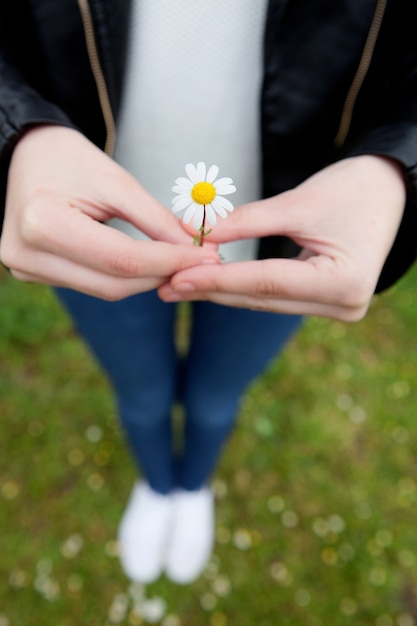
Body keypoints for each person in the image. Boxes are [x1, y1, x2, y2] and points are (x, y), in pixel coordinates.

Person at [0, 0, 416, 585]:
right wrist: (15, 129)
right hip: (88, 228)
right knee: (140, 393)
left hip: (283, 237)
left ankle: (192, 486)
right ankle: (157, 483)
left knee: (216, 397)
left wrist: (397, 163)